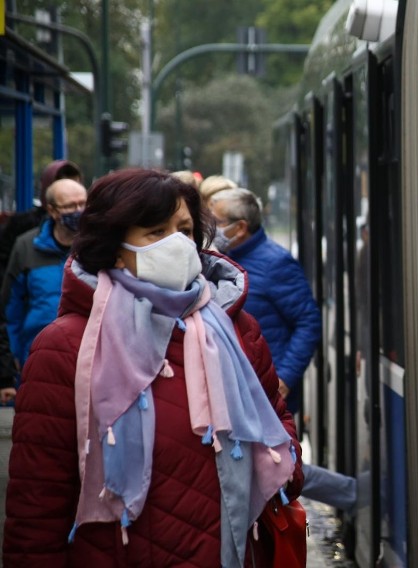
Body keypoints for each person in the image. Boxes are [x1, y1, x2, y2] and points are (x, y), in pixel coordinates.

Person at [3, 169, 303, 566]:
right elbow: (38, 505)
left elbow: (279, 428)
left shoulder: (235, 327)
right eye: (156, 232)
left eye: (185, 229)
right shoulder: (65, 348)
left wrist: (279, 464)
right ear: (114, 246)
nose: (177, 244)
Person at [208, 188, 355, 513]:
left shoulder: (275, 262)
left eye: (216, 221)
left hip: (269, 389)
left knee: (274, 467)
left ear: (240, 227)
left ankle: (354, 494)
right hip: (241, 387)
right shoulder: (224, 262)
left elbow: (308, 321)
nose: (211, 227)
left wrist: (285, 377)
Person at [0, 178, 87, 370]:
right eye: (71, 206)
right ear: (52, 210)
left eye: (83, 203)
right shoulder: (26, 247)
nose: (79, 210)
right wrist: (12, 357)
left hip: (84, 357)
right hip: (36, 356)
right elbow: (10, 310)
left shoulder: (94, 247)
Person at [0, 159, 83, 275]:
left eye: (74, 185)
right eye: (62, 185)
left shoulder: (88, 229)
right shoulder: (23, 226)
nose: (70, 193)